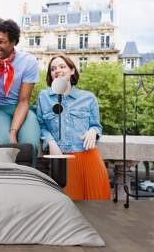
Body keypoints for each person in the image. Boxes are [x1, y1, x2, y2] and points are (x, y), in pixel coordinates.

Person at [36, 54, 111, 200]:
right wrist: (50, 142)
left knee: (97, 207)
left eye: (62, 66)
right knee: (70, 209)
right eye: (53, 68)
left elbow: (97, 126)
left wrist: (93, 131)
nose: (57, 70)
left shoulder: (88, 97)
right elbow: (41, 125)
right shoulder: (44, 96)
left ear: (72, 70)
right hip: (63, 161)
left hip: (89, 158)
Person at [0, 18, 40, 165]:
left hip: (21, 107)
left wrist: (13, 131)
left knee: (30, 145)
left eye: (0, 41)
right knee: (2, 144)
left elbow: (24, 101)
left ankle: (28, 183)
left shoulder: (29, 62)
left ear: (13, 42)